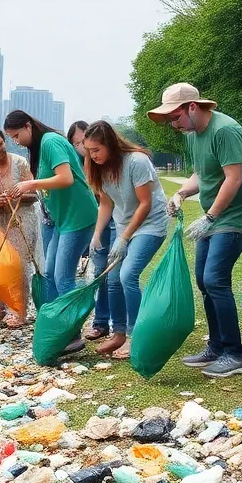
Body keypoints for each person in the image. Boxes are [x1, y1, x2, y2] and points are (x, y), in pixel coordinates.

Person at [148, 83, 242, 379]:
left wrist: (210, 216)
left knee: (215, 279)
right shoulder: (193, 135)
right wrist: (182, 194)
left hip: (235, 216)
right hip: (214, 217)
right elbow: (201, 173)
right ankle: (216, 346)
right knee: (203, 280)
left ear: (193, 107)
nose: (174, 125)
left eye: (175, 117)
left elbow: (233, 179)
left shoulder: (225, 130)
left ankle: (235, 354)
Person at [81, 120, 170, 360]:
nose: (93, 156)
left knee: (127, 275)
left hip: (151, 224)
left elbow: (145, 203)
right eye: (89, 151)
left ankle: (136, 335)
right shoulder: (100, 167)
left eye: (97, 150)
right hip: (124, 225)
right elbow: (107, 203)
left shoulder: (137, 162)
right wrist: (97, 234)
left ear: (110, 144)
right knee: (112, 280)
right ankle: (118, 332)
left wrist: (124, 238)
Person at [5, 111, 99, 306]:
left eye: (16, 135)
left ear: (28, 126)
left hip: (78, 217)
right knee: (50, 273)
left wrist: (30, 185)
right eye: (12, 138)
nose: (16, 141)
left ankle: (72, 331)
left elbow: (66, 178)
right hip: (62, 220)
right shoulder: (40, 147)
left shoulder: (50, 141)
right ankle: (54, 322)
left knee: (63, 278)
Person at [0, 127, 43, 328]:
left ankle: (20, 310)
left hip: (22, 218)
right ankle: (0, 308)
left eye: (0, 143)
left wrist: (17, 196)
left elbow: (35, 193)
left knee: (19, 264)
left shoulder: (20, 163)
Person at [67, 120, 114, 341]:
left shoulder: (103, 160)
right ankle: (101, 322)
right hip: (98, 221)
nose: (83, 147)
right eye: (77, 143)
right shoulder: (78, 164)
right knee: (99, 271)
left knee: (119, 273)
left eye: (84, 141)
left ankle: (124, 324)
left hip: (117, 219)